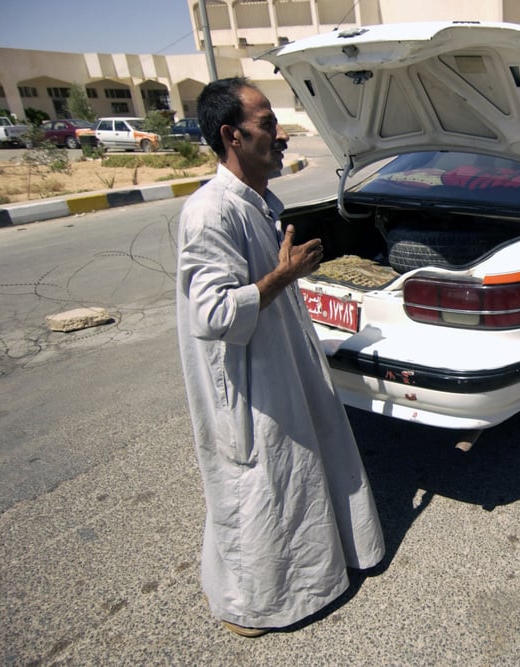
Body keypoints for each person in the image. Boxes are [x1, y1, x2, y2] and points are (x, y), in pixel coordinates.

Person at [176, 77, 385, 637]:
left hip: (281, 364)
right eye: (268, 123)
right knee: (258, 487)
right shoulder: (209, 213)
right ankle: (251, 605)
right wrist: (283, 276)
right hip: (248, 382)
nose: (281, 134)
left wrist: (291, 275)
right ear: (231, 135)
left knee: (296, 471)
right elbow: (214, 315)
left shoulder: (258, 202)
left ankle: (318, 572)